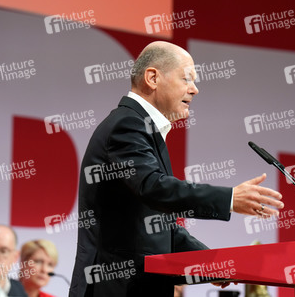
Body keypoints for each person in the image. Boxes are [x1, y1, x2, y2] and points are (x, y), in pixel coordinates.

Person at [69, 41, 284, 297]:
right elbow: (153, 188)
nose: (195, 89)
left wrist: (211, 263)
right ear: (152, 78)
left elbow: (159, 226)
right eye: (187, 79)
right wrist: (228, 199)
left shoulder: (142, 128)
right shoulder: (126, 125)